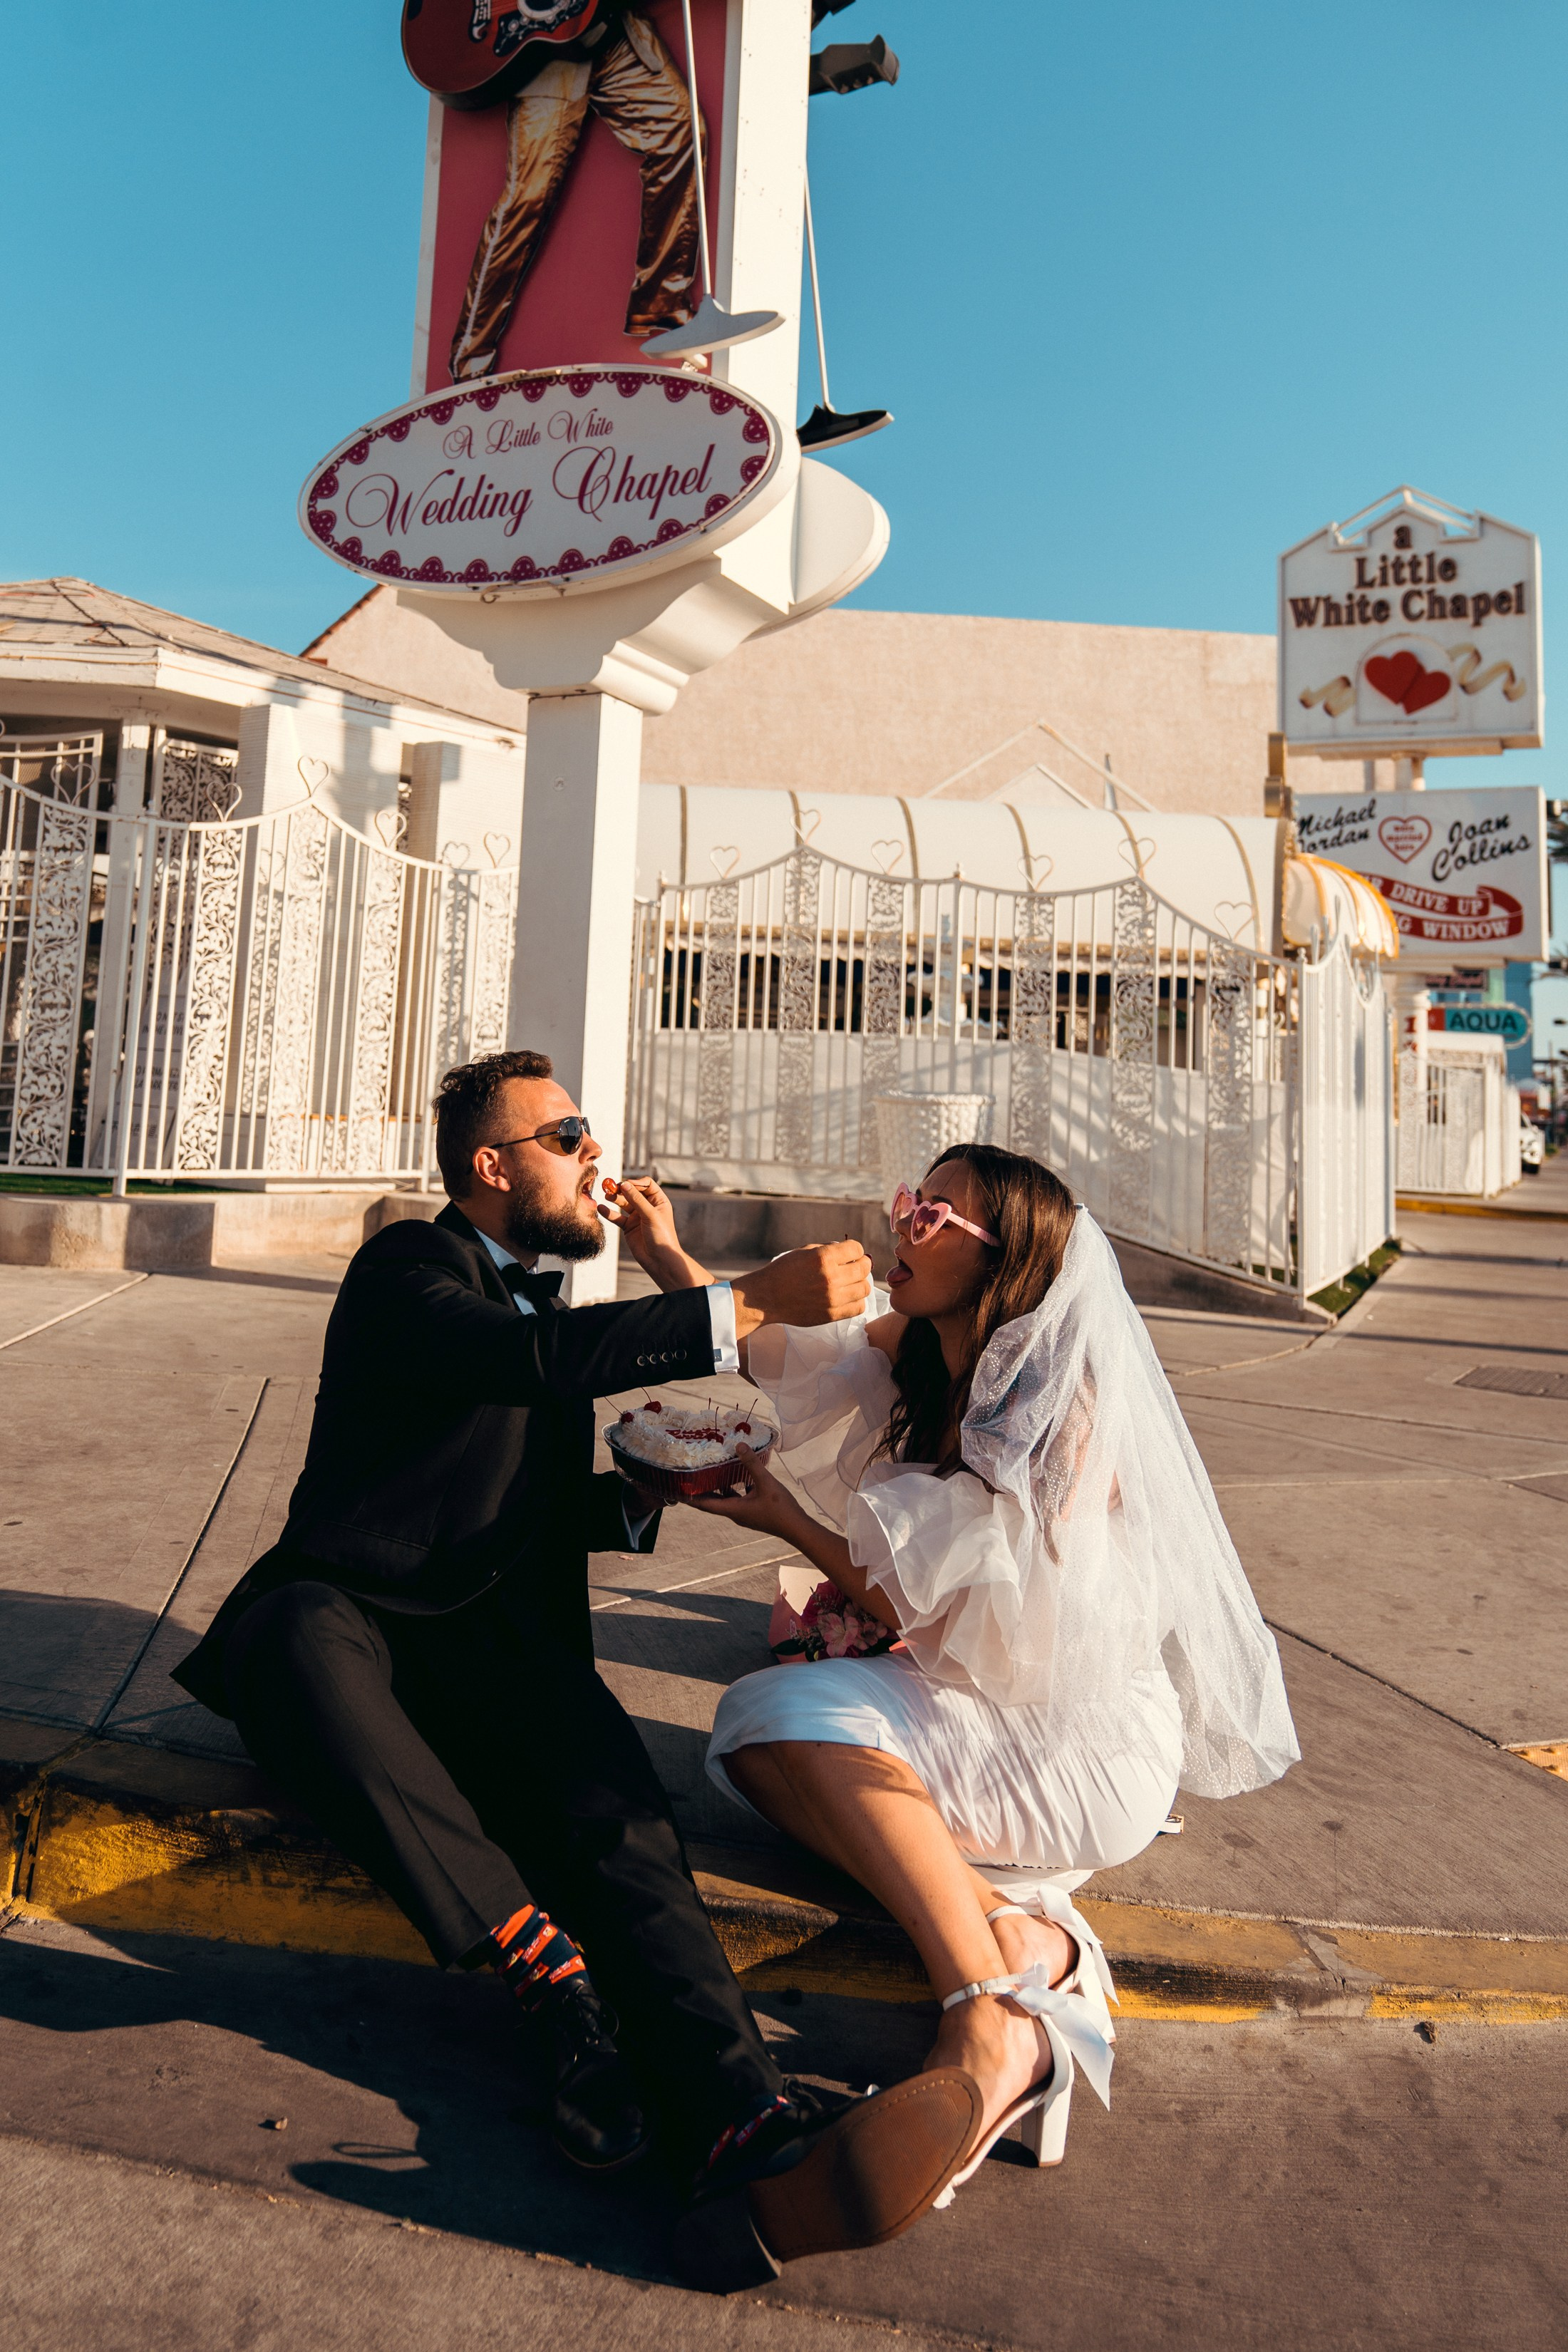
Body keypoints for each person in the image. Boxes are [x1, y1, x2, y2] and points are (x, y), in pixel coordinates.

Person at [172, 1051, 983, 2291]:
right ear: (491, 1167)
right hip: (358, 1631)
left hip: (495, 1655)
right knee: (294, 1637)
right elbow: (525, 1371)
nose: (594, 1154)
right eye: (568, 1135)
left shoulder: (542, 1320)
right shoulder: (411, 1269)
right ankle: (549, 1980)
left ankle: (748, 2134)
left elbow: (534, 1494)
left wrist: (646, 1496)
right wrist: (744, 1300)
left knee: (625, 1833)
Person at [687, 1143, 1300, 2189]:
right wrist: (668, 1253)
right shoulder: (929, 1345)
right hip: (985, 1705)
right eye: (909, 1201)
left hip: (1078, 1741)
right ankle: (1032, 1941)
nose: (904, 1224)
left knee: (773, 1716)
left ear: (1003, 1259)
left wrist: (788, 1519)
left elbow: (927, 1615)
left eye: (936, 1216)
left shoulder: (1059, 1408)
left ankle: (990, 2024)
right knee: (748, 1741)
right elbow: (790, 1357)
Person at [450, 5, 703, 382]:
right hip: (546, 58)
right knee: (528, 199)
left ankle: (660, 304)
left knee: (682, 131)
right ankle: (470, 357)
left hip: (613, 35)